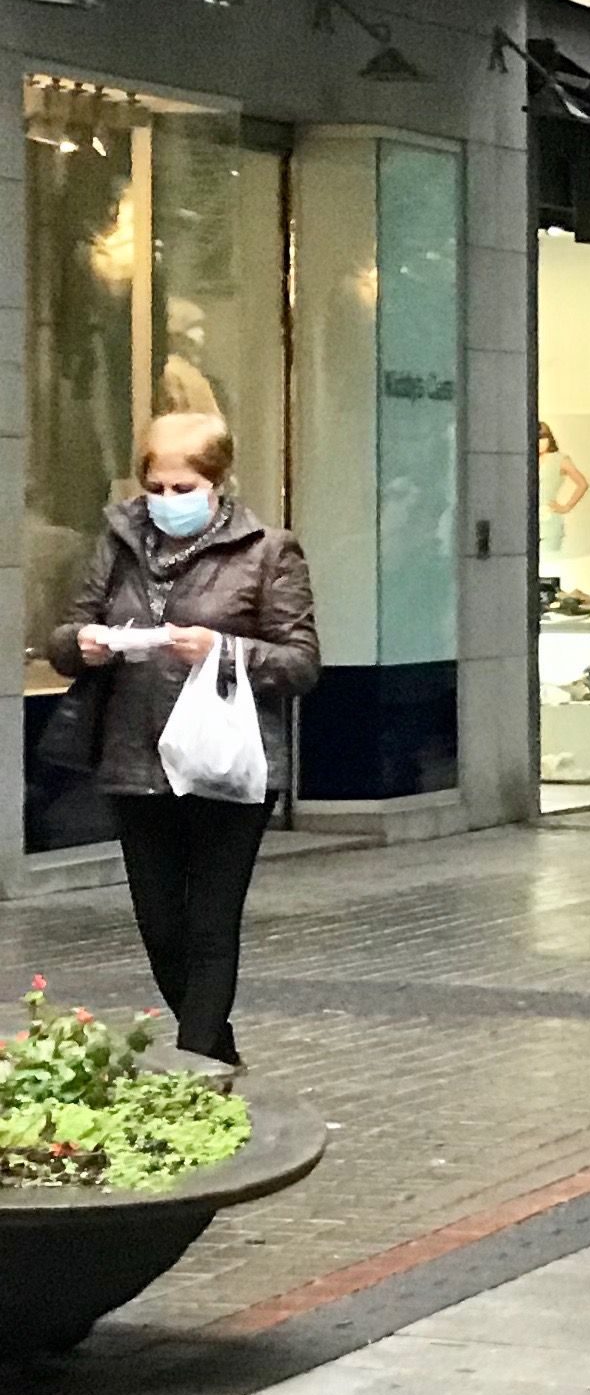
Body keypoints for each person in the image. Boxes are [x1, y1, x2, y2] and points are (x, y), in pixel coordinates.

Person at [47, 411, 318, 1068]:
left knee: (209, 922)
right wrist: (81, 646)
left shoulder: (266, 550)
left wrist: (222, 650)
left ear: (219, 481)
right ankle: (216, 1054)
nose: (167, 502)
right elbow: (65, 635)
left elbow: (302, 661)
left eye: (183, 487)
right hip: (135, 759)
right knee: (161, 925)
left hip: (226, 763)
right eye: (157, 488)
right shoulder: (117, 541)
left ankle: (194, 1069)